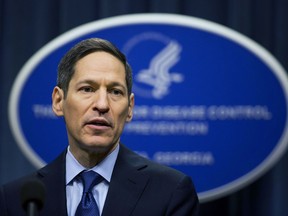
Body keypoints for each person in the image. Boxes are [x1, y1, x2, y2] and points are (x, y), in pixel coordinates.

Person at [0, 38, 199, 215]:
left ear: (130, 108)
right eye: (87, 89)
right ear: (58, 101)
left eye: (115, 92)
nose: (102, 105)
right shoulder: (15, 201)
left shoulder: (170, 192)